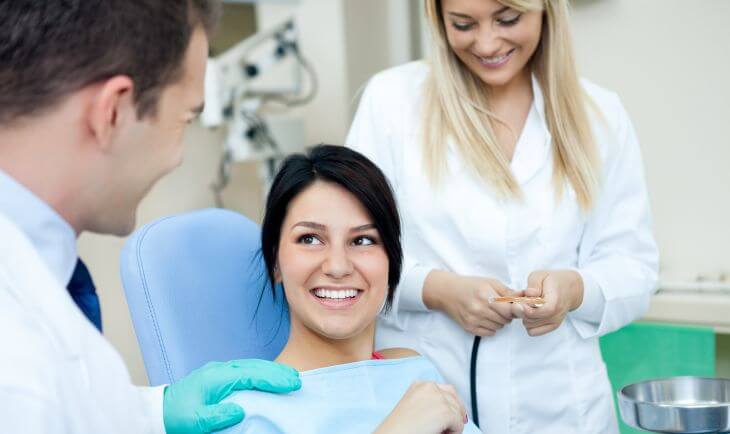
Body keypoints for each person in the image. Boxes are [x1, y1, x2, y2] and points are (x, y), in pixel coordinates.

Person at [346, 0, 659, 432]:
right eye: (463, 24)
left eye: (508, 19)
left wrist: (575, 290)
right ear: (436, 19)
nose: (488, 42)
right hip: (426, 402)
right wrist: (438, 290)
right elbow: (353, 251)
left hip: (564, 411)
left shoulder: (600, 115)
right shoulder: (392, 102)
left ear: (547, 11)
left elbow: (634, 267)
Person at [0, 2, 301, 433]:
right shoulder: (17, 368)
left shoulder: (31, 272)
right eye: (184, 119)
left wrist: (154, 412)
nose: (177, 158)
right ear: (114, 112)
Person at [220, 145, 480, 434]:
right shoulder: (245, 415)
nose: (338, 266)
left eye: (363, 241)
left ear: (391, 261)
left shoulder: (417, 377)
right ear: (276, 263)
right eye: (309, 239)